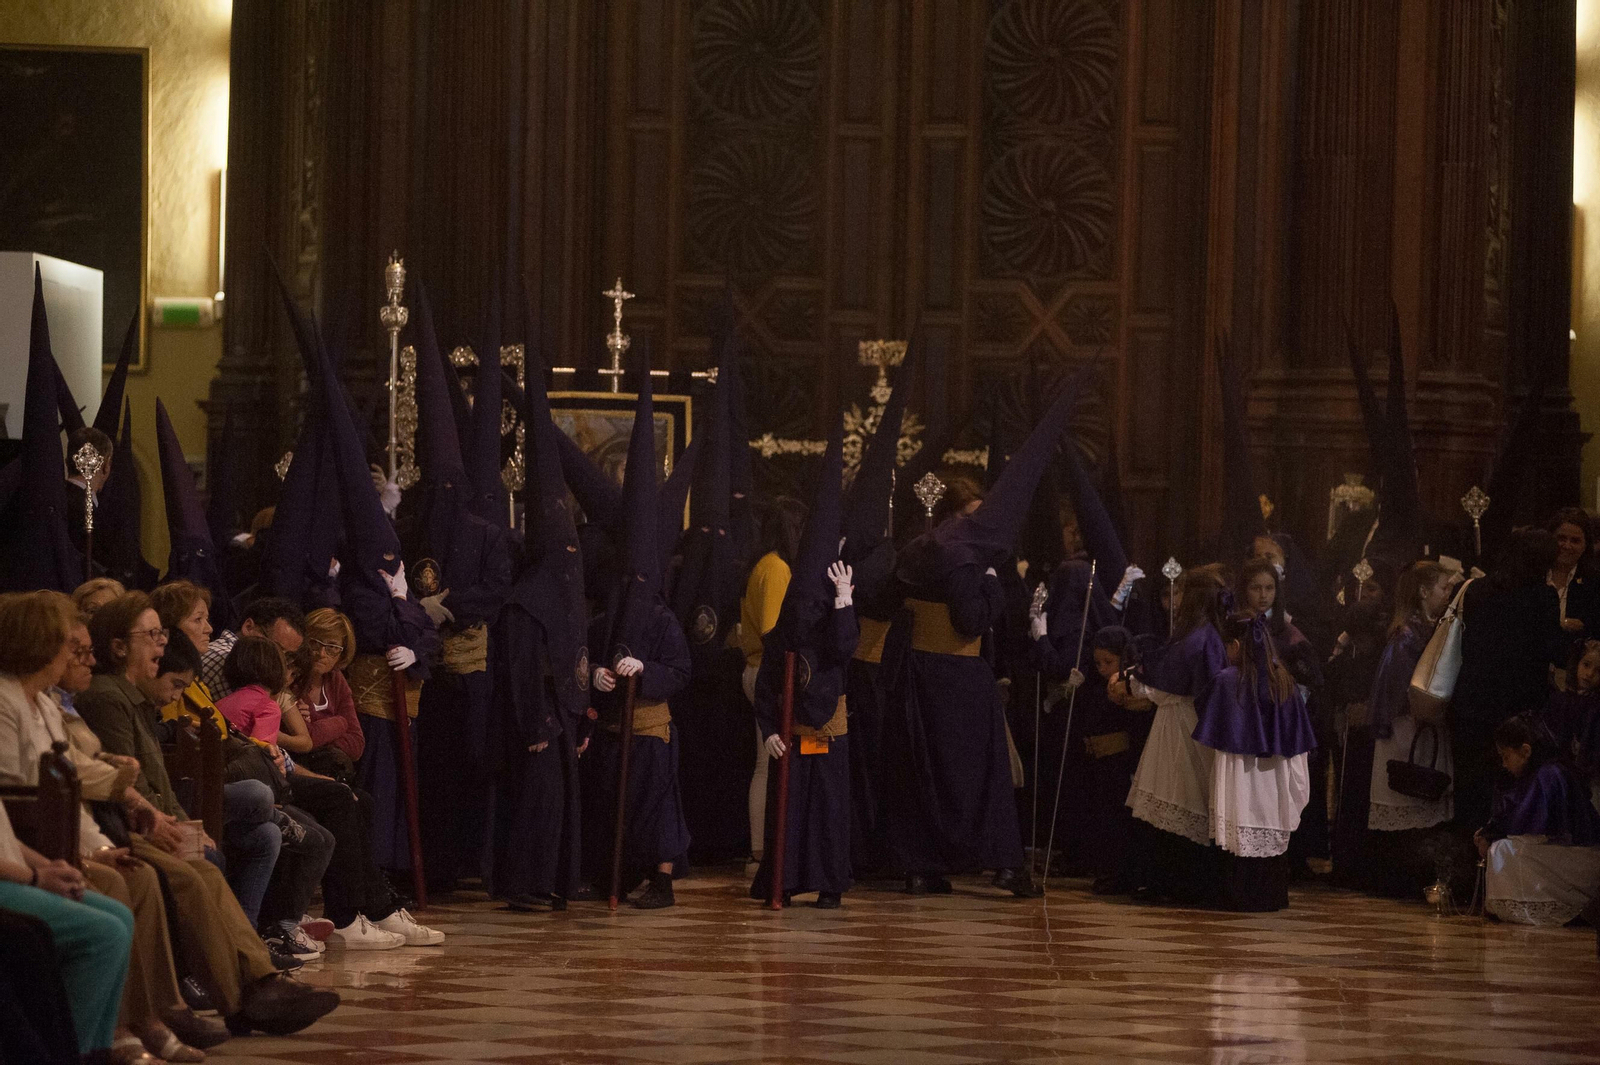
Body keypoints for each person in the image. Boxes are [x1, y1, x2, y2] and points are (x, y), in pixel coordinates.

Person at [23, 593, 341, 1036]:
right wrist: (148, 810)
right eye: (152, 635)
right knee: (195, 866)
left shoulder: (112, 699)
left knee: (224, 853)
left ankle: (255, 985)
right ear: (120, 646)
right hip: (100, 827)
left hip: (118, 819)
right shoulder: (105, 697)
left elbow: (139, 777)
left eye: (162, 634)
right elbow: (97, 777)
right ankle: (208, 997)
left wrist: (170, 816)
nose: (162, 643)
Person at [0, 590, 220, 1062]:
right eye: (70, 647)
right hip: (36, 848)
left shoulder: (43, 704)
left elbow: (59, 789)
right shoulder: (6, 702)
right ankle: (110, 1035)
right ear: (41, 643)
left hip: (49, 843)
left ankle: (130, 1027)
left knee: (135, 885)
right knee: (115, 900)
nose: (80, 657)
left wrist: (94, 846)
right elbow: (21, 802)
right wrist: (55, 866)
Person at [748, 428, 856, 908]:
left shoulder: (834, 624)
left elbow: (844, 648)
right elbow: (767, 684)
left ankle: (829, 883)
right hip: (792, 732)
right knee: (788, 810)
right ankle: (785, 880)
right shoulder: (785, 632)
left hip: (827, 731)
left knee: (827, 810)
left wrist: (844, 600)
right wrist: (770, 728)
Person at [1194, 611, 1318, 911]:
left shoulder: (1227, 681)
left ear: (1235, 645)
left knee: (1238, 827)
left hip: (1238, 777)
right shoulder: (1284, 681)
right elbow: (1298, 744)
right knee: (1269, 826)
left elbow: (1210, 725)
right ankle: (1271, 896)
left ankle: (1235, 896)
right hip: (1275, 779)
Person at [1119, 564, 1228, 901]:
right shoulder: (1205, 634)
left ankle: (1174, 882)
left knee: (1180, 796)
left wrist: (1132, 686)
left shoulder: (1198, 637)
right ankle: (1173, 881)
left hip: (1182, 726)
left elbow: (1169, 685)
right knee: (1178, 798)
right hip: (1181, 722)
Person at [0, 800, 132, 1060]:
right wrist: (36, 877)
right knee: (105, 933)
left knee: (122, 917)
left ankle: (97, 1052)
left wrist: (53, 868)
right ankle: (69, 1053)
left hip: (13, 878)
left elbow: (7, 841)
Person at [1452, 529, 1564, 831]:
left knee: (1471, 788)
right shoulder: (1542, 597)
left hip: (1472, 702)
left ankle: (1466, 852)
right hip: (1517, 706)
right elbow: (1553, 650)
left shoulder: (1474, 589)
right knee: (1511, 788)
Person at [1479, 716, 1600, 926]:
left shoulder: (1549, 774)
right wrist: (1488, 832)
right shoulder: (1540, 772)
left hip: (1578, 855)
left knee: (1502, 849)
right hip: (1563, 850)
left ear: (1525, 751)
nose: (1504, 764)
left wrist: (1491, 837)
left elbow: (1530, 831)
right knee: (1501, 846)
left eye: (1506, 757)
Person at [738, 496, 802, 864]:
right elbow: (771, 629)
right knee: (767, 764)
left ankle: (763, 846)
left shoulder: (762, 563)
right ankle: (763, 847)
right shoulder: (776, 568)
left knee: (765, 762)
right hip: (768, 671)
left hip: (757, 667)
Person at [278, 608, 365, 780]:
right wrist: (340, 723)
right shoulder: (291, 676)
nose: (321, 653)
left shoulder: (336, 679)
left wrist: (318, 730)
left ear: (342, 653)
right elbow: (306, 738)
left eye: (332, 647)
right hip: (292, 766)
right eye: (314, 643)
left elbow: (357, 744)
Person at [200, 597, 307, 702]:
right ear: (248, 627)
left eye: (287, 656)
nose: (280, 661)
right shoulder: (230, 660)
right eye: (276, 648)